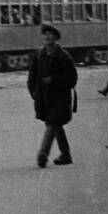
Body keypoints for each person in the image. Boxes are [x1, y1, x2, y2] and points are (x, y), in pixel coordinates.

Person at [27, 25, 78, 167]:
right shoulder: (39, 55)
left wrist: (54, 79)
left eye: (50, 34)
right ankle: (66, 155)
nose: (47, 37)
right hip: (44, 98)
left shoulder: (64, 56)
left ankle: (43, 153)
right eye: (45, 34)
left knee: (52, 122)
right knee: (55, 124)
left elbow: (72, 79)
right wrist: (34, 93)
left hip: (61, 98)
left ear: (56, 38)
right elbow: (31, 77)